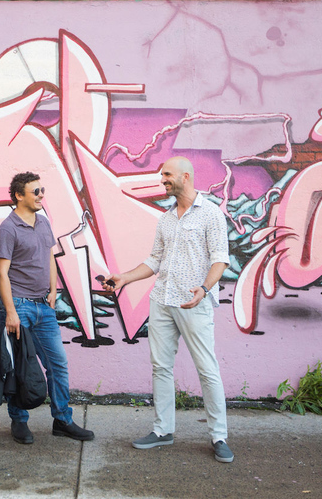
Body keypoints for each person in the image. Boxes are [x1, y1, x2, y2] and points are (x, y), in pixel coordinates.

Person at [102, 156, 234, 463]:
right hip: (162, 301)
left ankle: (218, 436)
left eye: (167, 174)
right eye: (162, 174)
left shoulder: (211, 214)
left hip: (193, 303)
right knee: (160, 367)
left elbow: (220, 259)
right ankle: (163, 431)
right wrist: (124, 278)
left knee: (207, 370)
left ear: (186, 176)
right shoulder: (167, 218)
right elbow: (154, 261)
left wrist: (204, 289)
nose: (162, 179)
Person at [0, 172, 94, 444]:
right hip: (19, 307)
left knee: (57, 363)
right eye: (35, 191)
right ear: (18, 195)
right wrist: (11, 312)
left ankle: (62, 419)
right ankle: (19, 421)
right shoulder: (8, 229)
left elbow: (50, 255)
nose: (40, 195)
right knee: (20, 368)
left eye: (42, 190)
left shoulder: (43, 222)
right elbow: (1, 273)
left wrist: (53, 290)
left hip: (43, 307)